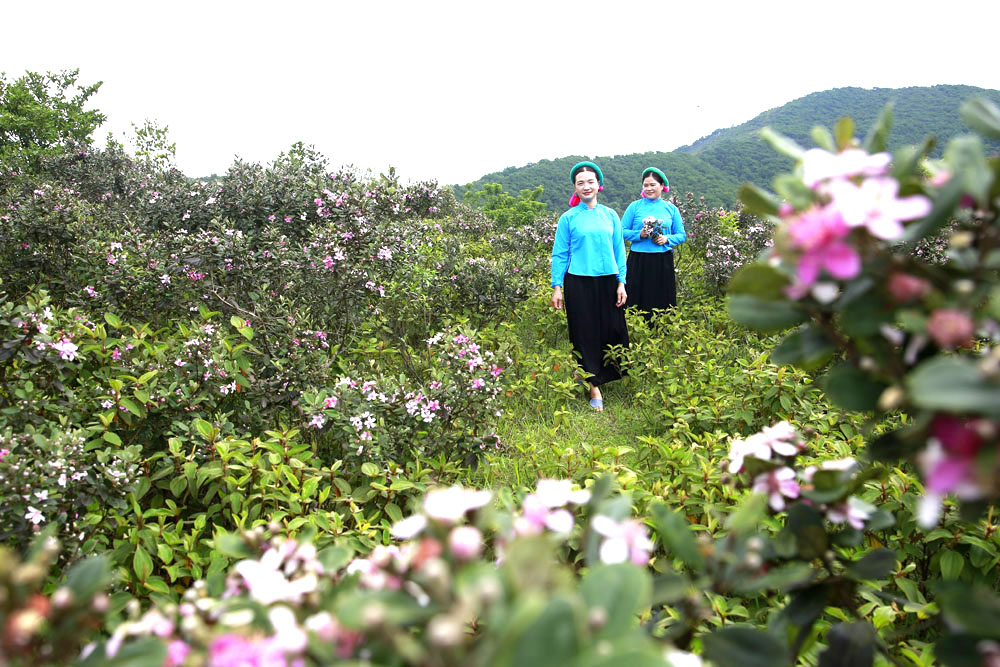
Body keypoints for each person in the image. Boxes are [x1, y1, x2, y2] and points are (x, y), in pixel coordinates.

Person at [550, 161, 628, 411]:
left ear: (599, 185)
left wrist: (621, 282)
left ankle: (595, 374)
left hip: (608, 281)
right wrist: (557, 286)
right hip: (579, 282)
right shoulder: (569, 218)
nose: (586, 186)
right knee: (584, 333)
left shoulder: (610, 215)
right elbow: (560, 254)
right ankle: (594, 386)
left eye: (590, 181)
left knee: (611, 330)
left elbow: (619, 251)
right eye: (580, 182)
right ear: (575, 188)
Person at [621, 167, 686, 321]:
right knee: (635, 296)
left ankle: (661, 333)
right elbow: (621, 231)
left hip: (662, 260)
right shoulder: (635, 207)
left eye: (653, 185)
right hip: (638, 259)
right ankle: (633, 332)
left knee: (662, 297)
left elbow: (681, 235)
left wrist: (667, 239)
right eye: (646, 185)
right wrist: (640, 235)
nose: (649, 188)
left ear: (662, 186)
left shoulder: (671, 209)